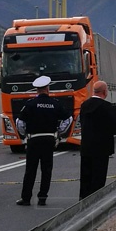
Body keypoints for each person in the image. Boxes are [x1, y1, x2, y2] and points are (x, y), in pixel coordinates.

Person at [15, 76, 72, 206]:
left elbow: (20, 122)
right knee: (46, 169)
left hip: (34, 139)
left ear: (37, 90)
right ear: (48, 89)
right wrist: (59, 131)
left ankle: (26, 198)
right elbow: (68, 119)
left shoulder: (30, 104)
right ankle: (42, 197)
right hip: (49, 139)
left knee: (30, 170)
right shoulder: (55, 104)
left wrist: (25, 134)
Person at [79, 80, 116, 200]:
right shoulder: (106, 107)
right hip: (102, 148)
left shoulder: (84, 105)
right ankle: (96, 201)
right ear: (104, 92)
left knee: (85, 176)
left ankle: (83, 200)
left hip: (86, 147)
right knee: (99, 176)